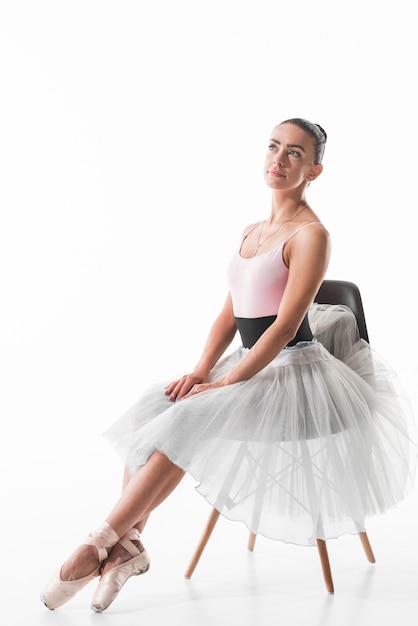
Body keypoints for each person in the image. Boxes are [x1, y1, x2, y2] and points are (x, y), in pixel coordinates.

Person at [40, 118, 417, 613]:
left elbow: (282, 328)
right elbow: (229, 313)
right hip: (247, 360)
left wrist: (226, 385)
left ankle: (98, 544)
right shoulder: (252, 231)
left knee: (187, 420)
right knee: (158, 406)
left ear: (315, 170)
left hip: (290, 371)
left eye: (295, 154)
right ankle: (126, 551)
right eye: (274, 147)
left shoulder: (312, 235)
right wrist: (201, 371)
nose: (279, 160)